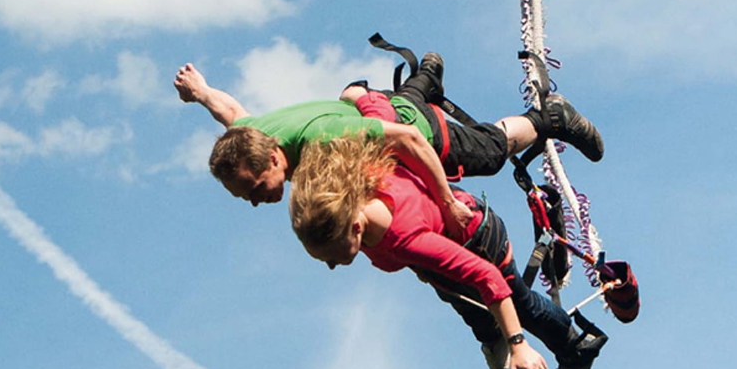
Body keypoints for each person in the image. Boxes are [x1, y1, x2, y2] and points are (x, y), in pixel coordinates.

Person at [287, 134, 607, 369]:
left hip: (480, 241)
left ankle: (574, 349)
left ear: (355, 228)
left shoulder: (402, 237)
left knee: (517, 303)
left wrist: (518, 343)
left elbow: (487, 277)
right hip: (440, 253)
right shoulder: (357, 186)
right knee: (457, 298)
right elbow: (375, 111)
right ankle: (490, 336)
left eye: (332, 256)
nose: (331, 266)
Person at [174, 54, 603, 237]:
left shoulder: (322, 143)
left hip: (415, 128)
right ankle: (424, 78)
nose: (254, 201)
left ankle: (548, 118)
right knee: (390, 107)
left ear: (271, 159)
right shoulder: (257, 134)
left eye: (253, 188)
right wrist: (202, 91)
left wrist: (445, 202)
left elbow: (410, 141)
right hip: (380, 106)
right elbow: (230, 112)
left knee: (490, 153)